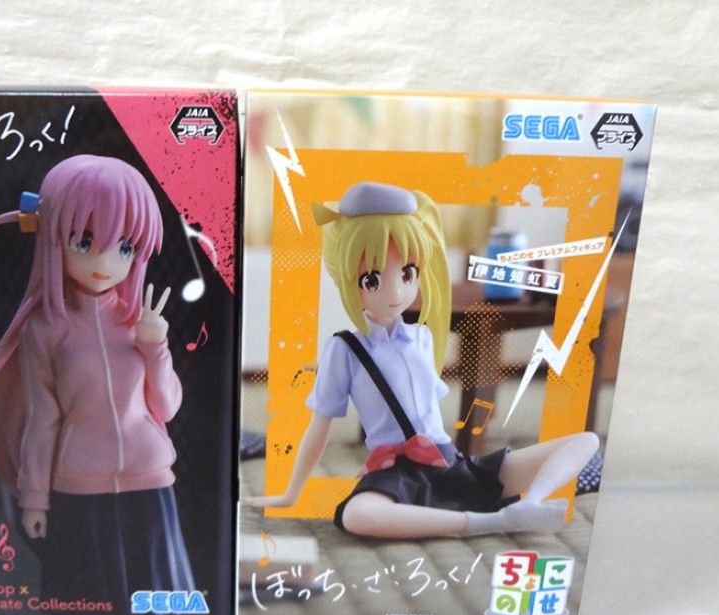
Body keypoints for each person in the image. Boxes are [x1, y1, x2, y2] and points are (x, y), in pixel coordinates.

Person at [248, 181, 598, 538]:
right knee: (357, 516)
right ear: (348, 281)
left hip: (447, 462)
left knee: (586, 441)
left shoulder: (423, 337)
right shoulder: (345, 348)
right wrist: (291, 494)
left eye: (408, 274)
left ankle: (531, 504)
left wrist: (528, 492)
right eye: (372, 280)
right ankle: (496, 521)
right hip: (394, 473)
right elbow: (319, 426)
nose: (396, 291)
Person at [0, 155, 193, 615]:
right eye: (84, 241)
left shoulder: (138, 321)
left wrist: (155, 346)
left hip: (149, 484)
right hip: (79, 489)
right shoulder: (45, 329)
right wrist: (34, 497)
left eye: (125, 247)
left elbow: (165, 406)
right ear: (54, 238)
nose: (104, 262)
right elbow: (43, 419)